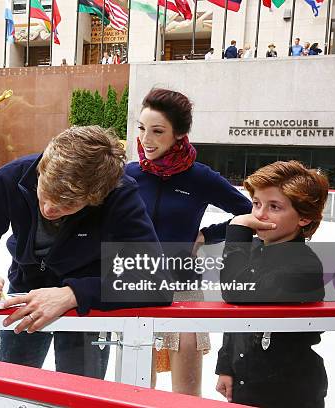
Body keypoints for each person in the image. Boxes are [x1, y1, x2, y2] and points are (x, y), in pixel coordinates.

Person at [0, 126, 172, 380]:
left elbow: (155, 282)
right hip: (23, 299)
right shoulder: (11, 178)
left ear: (97, 198)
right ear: (41, 169)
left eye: (69, 205)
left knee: (80, 396)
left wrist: (74, 294)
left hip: (88, 309)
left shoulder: (119, 194)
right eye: (45, 193)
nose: (50, 208)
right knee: (13, 390)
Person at [125, 88, 252, 396]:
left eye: (157, 131)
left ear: (179, 134)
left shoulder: (200, 177)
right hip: (135, 282)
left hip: (184, 287)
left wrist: (207, 234)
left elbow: (248, 212)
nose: (146, 139)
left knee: (186, 391)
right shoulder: (128, 175)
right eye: (141, 129)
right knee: (138, 384)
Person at [215, 161, 329, 408]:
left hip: (291, 393)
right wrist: (226, 366)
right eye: (256, 204)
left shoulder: (304, 265)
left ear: (304, 217)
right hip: (247, 385)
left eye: (274, 206)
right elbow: (238, 318)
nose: (259, 215)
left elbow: (235, 292)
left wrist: (237, 230)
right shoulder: (254, 250)